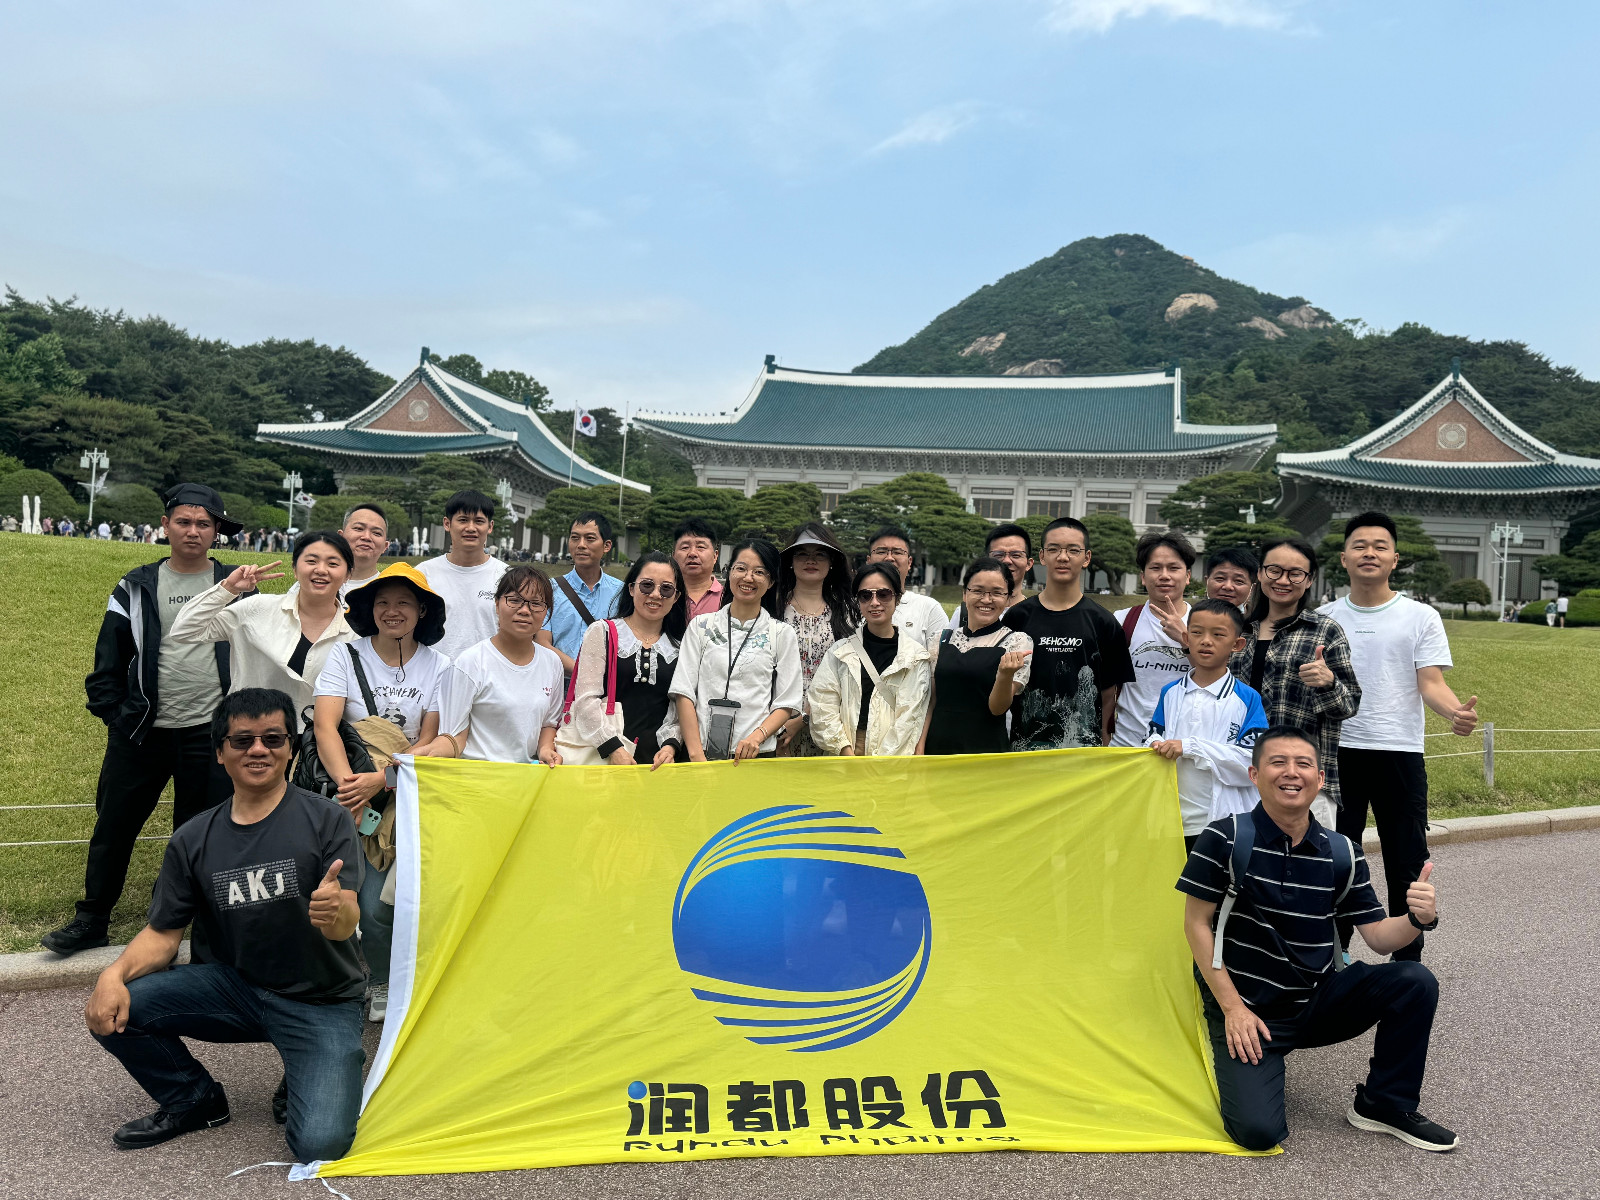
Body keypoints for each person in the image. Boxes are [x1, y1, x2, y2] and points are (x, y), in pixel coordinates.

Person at [85, 688, 366, 1161]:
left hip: (321, 998)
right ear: (220, 752)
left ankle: (314, 1063)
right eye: (242, 740)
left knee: (321, 1145)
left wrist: (335, 912)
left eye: (273, 739)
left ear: (290, 750)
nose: (259, 750)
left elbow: (345, 923)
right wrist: (111, 976)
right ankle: (194, 1099)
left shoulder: (329, 819)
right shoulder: (192, 838)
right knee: (114, 1008)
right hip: (234, 990)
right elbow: (163, 935)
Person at [1176, 726, 1454, 1153]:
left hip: (1318, 1000)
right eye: (1278, 762)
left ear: (1320, 779)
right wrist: (1232, 1009)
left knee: (1414, 980)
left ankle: (1384, 1104)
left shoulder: (1342, 851)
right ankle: (1241, 1060)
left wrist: (1418, 918)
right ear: (1254, 775)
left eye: (1303, 764)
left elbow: (1380, 938)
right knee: (1257, 1134)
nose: (1292, 772)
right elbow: (1196, 924)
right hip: (1249, 1010)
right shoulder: (1224, 837)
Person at [43, 484, 246, 957]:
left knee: (196, 832)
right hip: (140, 731)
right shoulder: (135, 585)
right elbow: (109, 658)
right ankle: (92, 918)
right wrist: (116, 715)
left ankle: (170, 922)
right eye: (184, 522)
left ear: (216, 531)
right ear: (165, 525)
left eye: (204, 524)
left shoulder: (237, 584)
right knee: (114, 825)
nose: (193, 531)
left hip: (209, 733)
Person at [1321, 512, 1479, 964]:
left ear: (1395, 559)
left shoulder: (1420, 616)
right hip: (1336, 753)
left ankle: (1407, 962)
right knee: (1335, 855)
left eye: (1380, 546)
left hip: (1399, 752)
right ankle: (1334, 957)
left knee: (1405, 858)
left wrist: (1455, 713)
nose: (1369, 553)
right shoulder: (1323, 617)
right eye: (1359, 545)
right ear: (1344, 558)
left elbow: (1430, 682)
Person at [312, 564, 448, 1019]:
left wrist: (383, 781)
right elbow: (325, 726)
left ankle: (399, 976)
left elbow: (429, 740)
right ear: (369, 608)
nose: (392, 611)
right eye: (382, 602)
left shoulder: (439, 666)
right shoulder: (345, 655)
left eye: (404, 602)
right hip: (351, 795)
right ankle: (374, 979)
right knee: (357, 897)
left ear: (422, 610)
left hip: (406, 795)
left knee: (389, 901)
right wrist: (350, 788)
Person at [1229, 537, 1360, 827]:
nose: (1283, 580)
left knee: (1306, 856)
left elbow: (1349, 705)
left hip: (1301, 779)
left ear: (1309, 579)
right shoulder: (1238, 629)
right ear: (1260, 573)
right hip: (1239, 775)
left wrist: (1328, 683)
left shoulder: (1325, 631)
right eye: (1274, 570)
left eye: (1295, 573)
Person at [170, 531, 358, 716]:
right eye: (311, 561)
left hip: (319, 734)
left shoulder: (355, 633)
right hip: (249, 729)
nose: (321, 570)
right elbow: (184, 630)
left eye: (333, 564)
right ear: (295, 569)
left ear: (348, 575)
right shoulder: (257, 608)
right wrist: (229, 588)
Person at [1146, 599, 1269, 851]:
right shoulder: (1170, 692)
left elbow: (1253, 763)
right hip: (1170, 819)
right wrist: (1155, 745)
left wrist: (1190, 747)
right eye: (1197, 632)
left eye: (1218, 634)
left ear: (1237, 644)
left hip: (1222, 821)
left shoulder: (1247, 698)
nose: (1206, 641)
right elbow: (1151, 738)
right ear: (1186, 638)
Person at [1003, 517, 1135, 750]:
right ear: (1042, 556)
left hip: (1082, 752)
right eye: (1054, 549)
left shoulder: (1104, 622)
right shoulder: (1017, 617)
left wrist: (1104, 745)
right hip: (1024, 750)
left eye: (1073, 550)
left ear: (1087, 558)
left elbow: (1108, 694)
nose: (1063, 557)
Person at [671, 538, 803, 762]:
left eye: (759, 572)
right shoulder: (701, 626)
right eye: (740, 568)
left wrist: (756, 738)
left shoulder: (781, 633)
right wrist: (695, 754)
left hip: (756, 755)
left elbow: (786, 702)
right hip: (700, 753)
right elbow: (684, 692)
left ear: (771, 581)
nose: (748, 578)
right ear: (729, 572)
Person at [425, 566, 564, 764]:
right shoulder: (470, 663)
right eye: (514, 600)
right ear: (497, 604)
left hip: (527, 775)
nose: (525, 610)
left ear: (546, 612)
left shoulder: (552, 663)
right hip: (478, 774)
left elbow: (548, 724)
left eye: (536, 603)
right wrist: (425, 755)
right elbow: (453, 736)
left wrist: (545, 749)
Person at [560, 552, 686, 767]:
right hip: (605, 757)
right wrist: (613, 749)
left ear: (676, 597)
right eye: (647, 585)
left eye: (666, 589)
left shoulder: (680, 646)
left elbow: (679, 708)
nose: (656, 594)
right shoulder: (603, 632)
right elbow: (585, 700)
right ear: (631, 588)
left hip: (658, 765)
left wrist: (670, 746)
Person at [809, 561, 933, 757]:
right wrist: (845, 751)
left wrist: (879, 764)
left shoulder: (915, 657)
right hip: (844, 751)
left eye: (883, 594)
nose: (874, 602)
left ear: (897, 598)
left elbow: (910, 718)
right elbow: (822, 704)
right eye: (865, 595)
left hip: (893, 758)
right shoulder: (840, 652)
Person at [919, 558, 1034, 756]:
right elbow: (931, 700)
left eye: (997, 593)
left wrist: (1005, 675)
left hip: (985, 752)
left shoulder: (1016, 643)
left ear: (1008, 599)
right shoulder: (940, 639)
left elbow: (998, 709)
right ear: (965, 594)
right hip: (937, 749)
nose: (986, 599)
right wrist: (920, 746)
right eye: (978, 591)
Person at [775, 523, 856, 756]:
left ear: (832, 562)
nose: (811, 560)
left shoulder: (847, 615)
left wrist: (805, 718)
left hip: (830, 725)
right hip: (775, 723)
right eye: (802, 554)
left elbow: (845, 675)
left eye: (820, 554)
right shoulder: (773, 609)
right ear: (791, 561)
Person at [1111, 530, 1198, 746]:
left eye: (1174, 568)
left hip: (1182, 746)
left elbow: (1217, 677)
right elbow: (1106, 686)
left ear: (1187, 576)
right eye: (1155, 568)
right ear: (1143, 576)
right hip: (1127, 744)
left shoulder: (1204, 623)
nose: (1164, 575)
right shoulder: (1122, 620)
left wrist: (1185, 639)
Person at [415, 490, 508, 663]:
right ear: (447, 523)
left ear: (490, 526)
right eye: (463, 520)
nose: (471, 528)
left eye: (479, 521)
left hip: (489, 671)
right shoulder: (423, 574)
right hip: (432, 671)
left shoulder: (506, 576)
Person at [541, 510, 624, 672]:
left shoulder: (621, 593)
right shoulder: (549, 589)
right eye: (575, 538)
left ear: (607, 546)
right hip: (560, 682)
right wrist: (585, 675)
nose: (581, 545)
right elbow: (542, 642)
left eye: (590, 538)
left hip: (605, 684)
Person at [865, 526, 947, 650]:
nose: (889, 558)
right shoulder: (850, 608)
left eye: (897, 552)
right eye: (881, 552)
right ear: (869, 560)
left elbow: (942, 657)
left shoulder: (929, 609)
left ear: (909, 562)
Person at [289, 503, 389, 602]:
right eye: (358, 528)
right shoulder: (311, 583)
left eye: (377, 533)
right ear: (341, 536)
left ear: (385, 546)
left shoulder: (391, 589)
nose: (366, 537)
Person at [946, 522, 1034, 629]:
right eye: (998, 555)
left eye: (1015, 555)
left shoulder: (1036, 616)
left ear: (1028, 564)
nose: (1007, 561)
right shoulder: (965, 614)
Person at [671, 517, 725, 618]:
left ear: (715, 556)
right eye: (685, 547)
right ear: (674, 556)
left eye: (700, 547)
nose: (692, 553)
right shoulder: (663, 595)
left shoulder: (729, 599)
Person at [1204, 545, 1259, 610]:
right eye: (1220, 578)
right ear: (1207, 581)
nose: (1228, 587)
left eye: (1239, 581)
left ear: (1252, 588)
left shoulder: (1259, 616)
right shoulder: (1193, 615)